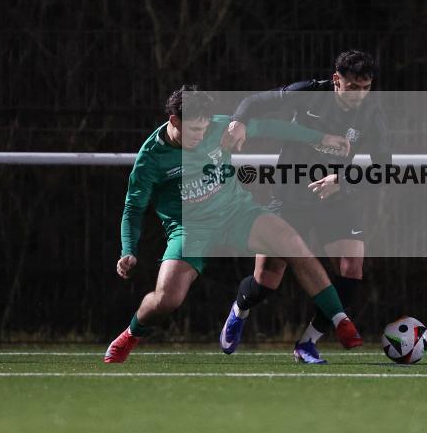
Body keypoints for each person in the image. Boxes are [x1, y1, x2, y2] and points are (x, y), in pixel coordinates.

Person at [104, 86, 363, 363]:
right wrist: (128, 249)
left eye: (204, 129)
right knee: (167, 300)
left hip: (236, 213)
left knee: (292, 243)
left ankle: (340, 320)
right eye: (193, 130)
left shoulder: (220, 128)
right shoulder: (151, 159)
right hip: (191, 229)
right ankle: (130, 334)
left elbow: (272, 128)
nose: (201, 136)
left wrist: (320, 137)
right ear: (173, 121)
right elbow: (133, 208)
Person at [218, 50, 389, 363]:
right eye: (353, 87)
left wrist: (344, 180)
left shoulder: (371, 114)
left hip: (334, 198)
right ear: (337, 80)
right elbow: (255, 102)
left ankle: (308, 343)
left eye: (366, 87)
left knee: (352, 268)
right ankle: (240, 309)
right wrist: (237, 122)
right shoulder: (309, 93)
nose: (359, 95)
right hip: (289, 195)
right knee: (267, 280)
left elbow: (384, 167)